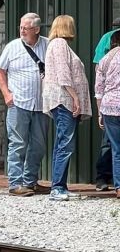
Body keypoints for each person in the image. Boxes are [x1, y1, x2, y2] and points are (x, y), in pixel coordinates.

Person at [0, 13, 49, 196]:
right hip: (18, 103)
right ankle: (15, 184)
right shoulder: (12, 47)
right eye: (21, 27)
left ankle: (30, 181)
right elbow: (0, 71)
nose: (22, 31)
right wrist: (6, 94)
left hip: (41, 104)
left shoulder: (48, 44)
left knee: (39, 146)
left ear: (37, 29)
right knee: (18, 144)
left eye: (26, 28)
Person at [42, 15, 92, 201]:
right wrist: (75, 98)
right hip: (64, 101)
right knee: (65, 144)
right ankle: (57, 188)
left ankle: (60, 185)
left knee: (62, 143)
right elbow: (63, 75)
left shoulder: (56, 45)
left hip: (62, 100)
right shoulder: (59, 44)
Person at [93, 17, 120, 190]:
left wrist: (99, 112)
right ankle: (104, 177)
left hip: (109, 105)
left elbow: (99, 79)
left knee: (111, 145)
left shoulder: (106, 43)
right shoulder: (107, 38)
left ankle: (108, 181)